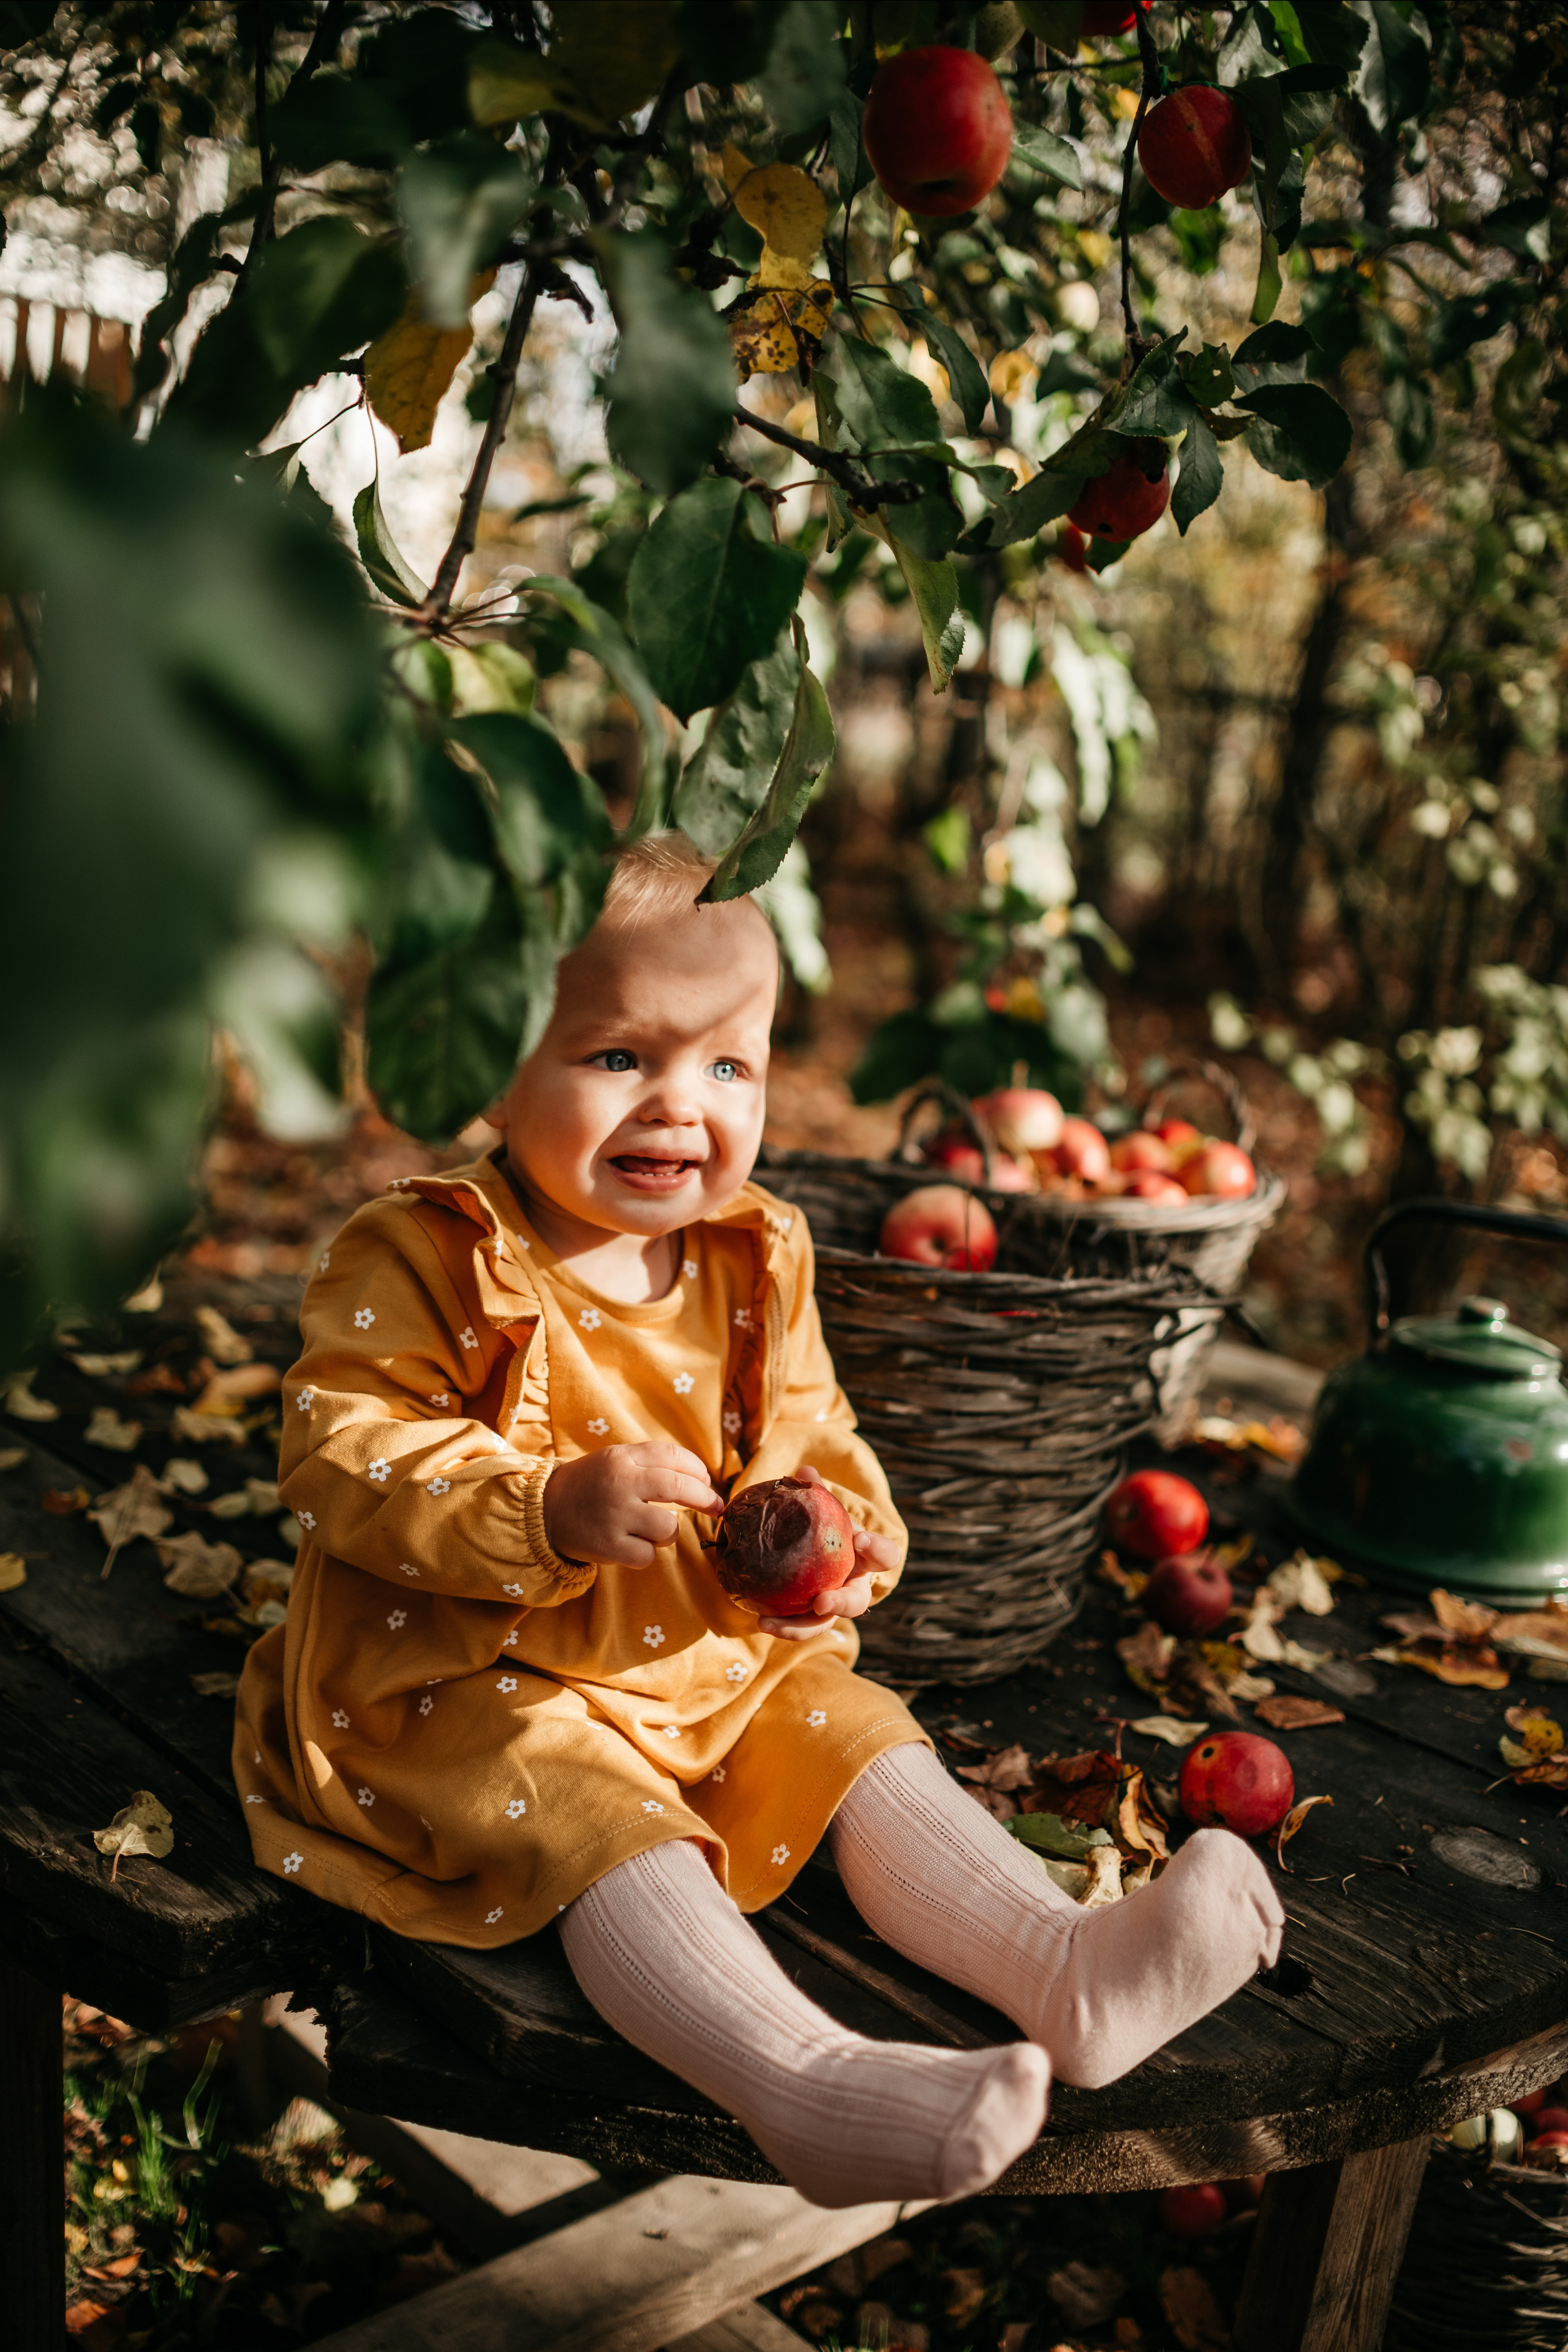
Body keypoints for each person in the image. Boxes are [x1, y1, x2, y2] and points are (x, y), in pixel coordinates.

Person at [235, 831, 1283, 2210]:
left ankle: (1066, 1968)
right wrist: (538, 1502)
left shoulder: (752, 1249)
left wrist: (849, 1535)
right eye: (620, 1056)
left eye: (728, 1064)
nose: (682, 1106)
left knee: (853, 1733)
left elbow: (810, 1434)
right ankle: (802, 2081)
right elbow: (338, 1449)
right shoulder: (429, 1250)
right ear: (493, 1059)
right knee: (602, 1816)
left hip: (699, 1655)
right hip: (468, 1679)